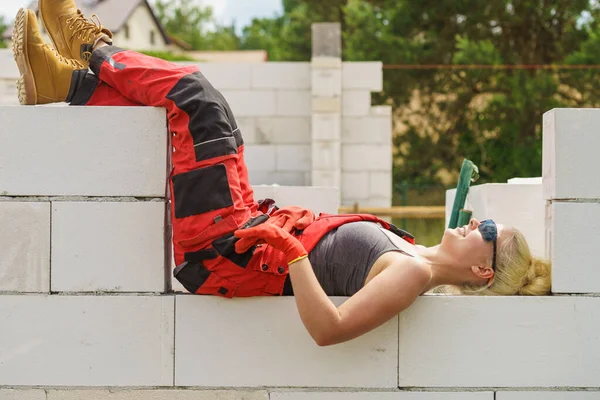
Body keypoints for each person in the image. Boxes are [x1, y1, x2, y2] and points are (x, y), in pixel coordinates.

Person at [12, 2, 551, 346]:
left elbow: (329, 330)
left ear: (484, 273)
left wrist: (292, 252)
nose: (475, 222)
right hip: (246, 227)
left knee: (200, 102)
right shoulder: (410, 250)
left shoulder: (414, 276)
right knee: (194, 117)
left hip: (226, 246)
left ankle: (91, 48)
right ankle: (63, 85)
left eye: (486, 233)